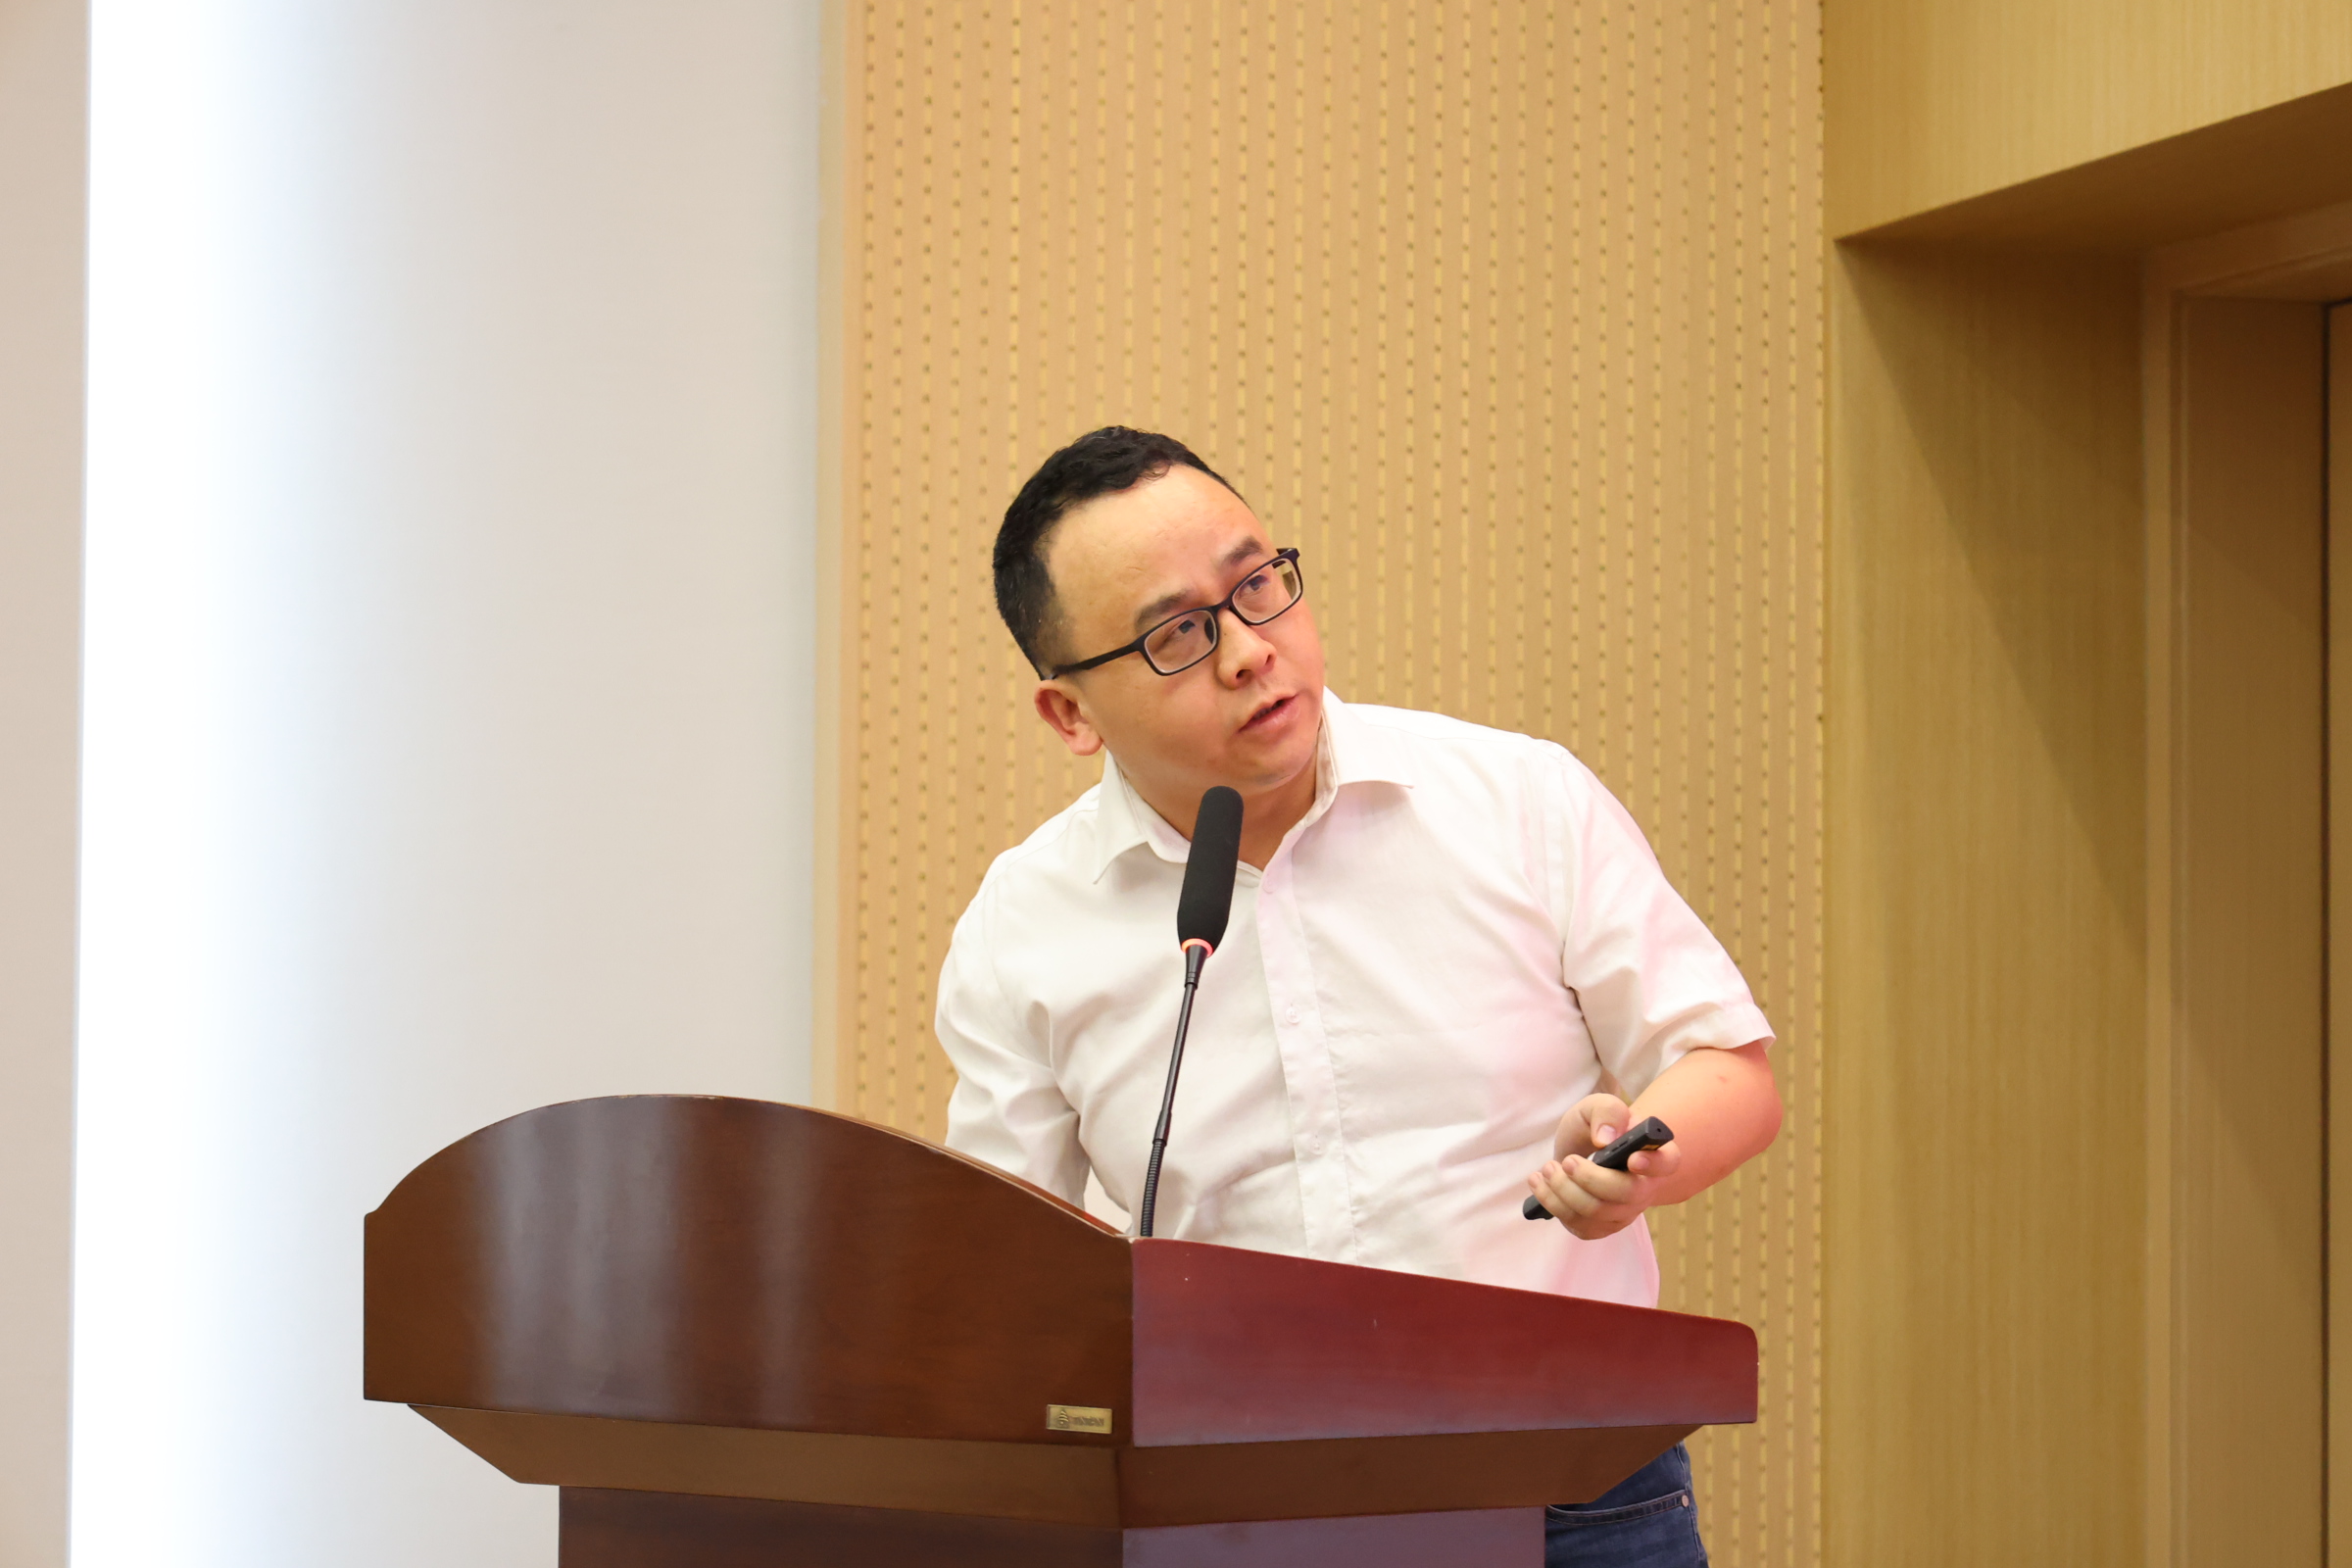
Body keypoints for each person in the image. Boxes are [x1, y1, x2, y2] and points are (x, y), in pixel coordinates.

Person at [936, 426, 1783, 1568]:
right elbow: (1010, 1269)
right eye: (1177, 633)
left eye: (1257, 586)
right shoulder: (1024, 923)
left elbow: (1727, 1066)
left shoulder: (1515, 798)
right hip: (1234, 1499)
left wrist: (1638, 1157)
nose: (1250, 652)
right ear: (1069, 714)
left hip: (1567, 1489)